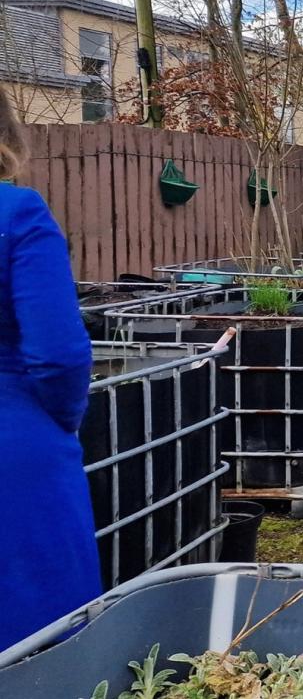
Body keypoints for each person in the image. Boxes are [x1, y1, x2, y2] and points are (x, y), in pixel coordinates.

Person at [0, 91, 100, 650]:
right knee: (36, 638)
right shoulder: (15, 214)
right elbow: (59, 354)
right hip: (14, 449)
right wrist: (62, 421)